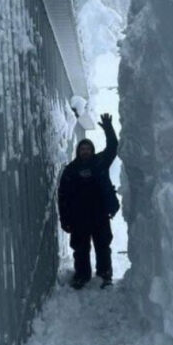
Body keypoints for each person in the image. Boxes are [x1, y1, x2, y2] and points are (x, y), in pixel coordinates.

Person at [57, 113, 120, 289]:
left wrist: (108, 128)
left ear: (92, 150)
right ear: (78, 151)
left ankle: (104, 275)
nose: (85, 151)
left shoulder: (100, 162)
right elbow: (63, 196)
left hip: (99, 214)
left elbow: (113, 147)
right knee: (80, 249)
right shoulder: (71, 170)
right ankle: (82, 275)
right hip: (79, 217)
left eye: (88, 148)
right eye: (82, 149)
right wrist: (65, 219)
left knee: (102, 246)